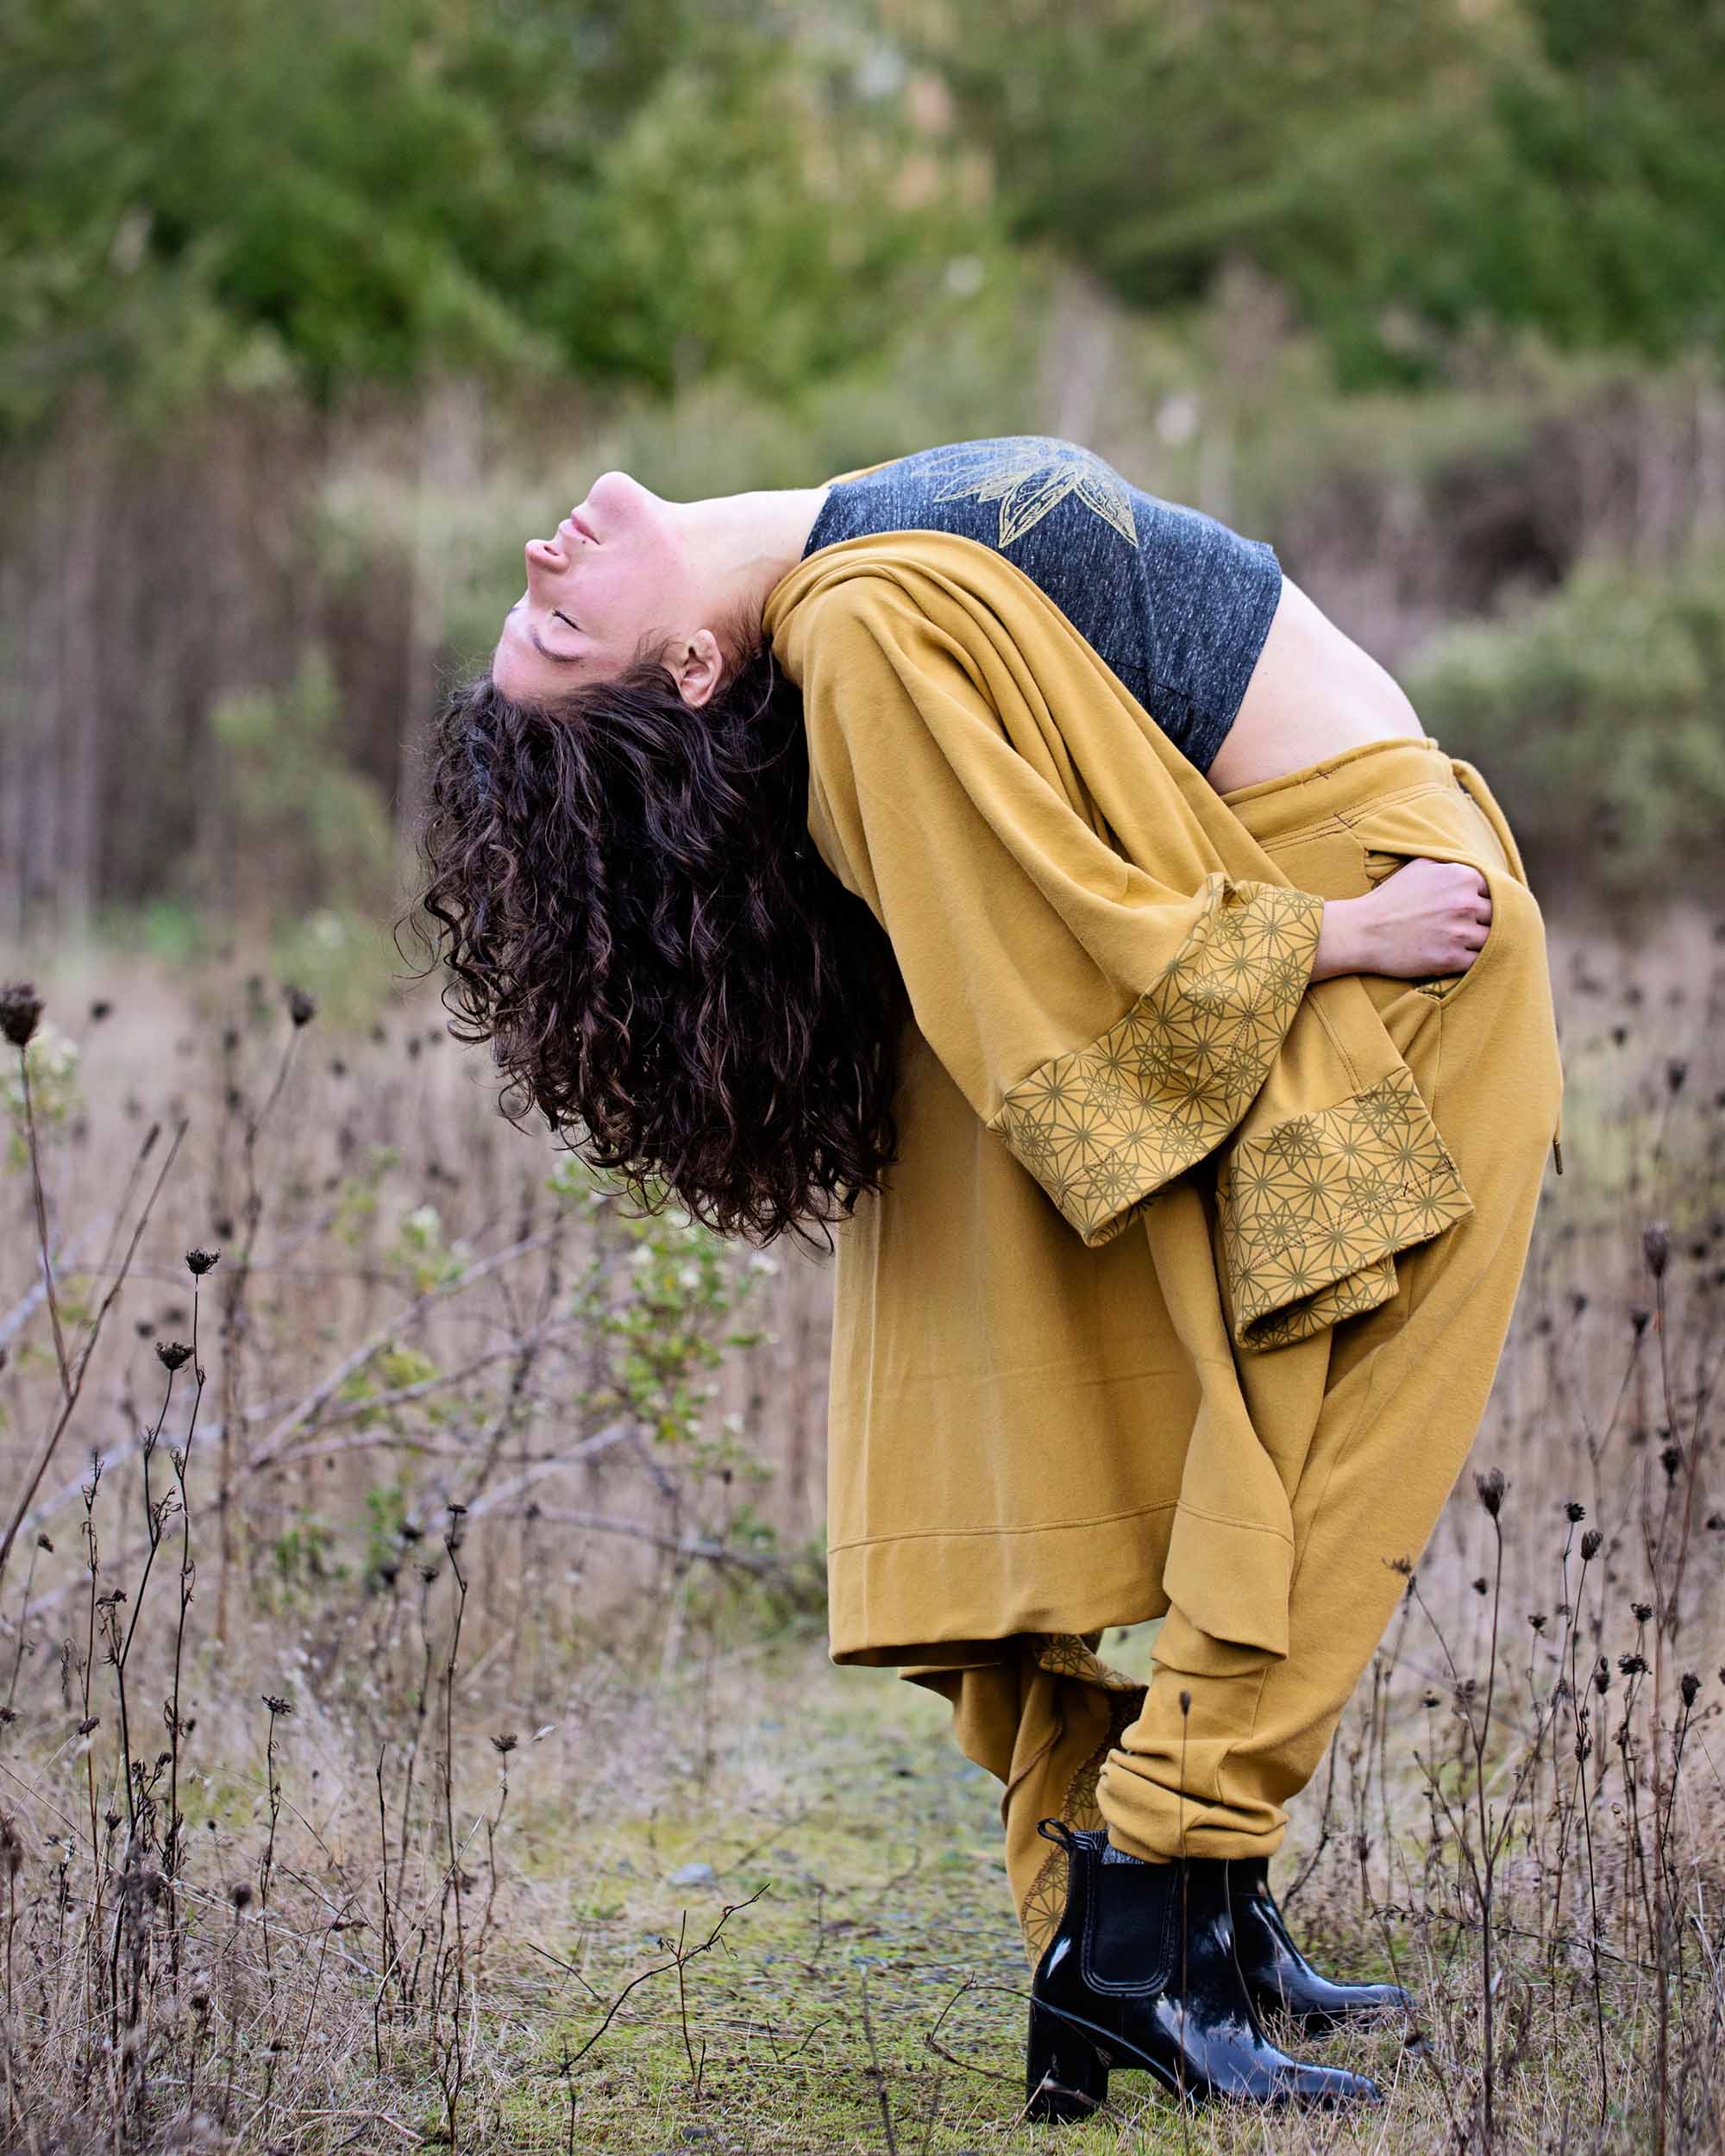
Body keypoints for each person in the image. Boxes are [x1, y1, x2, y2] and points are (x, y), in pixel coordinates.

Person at [406, 436, 1564, 2119]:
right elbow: (1035, 924)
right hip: (1382, 933)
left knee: (1298, 1459)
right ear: (687, 664)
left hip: (1384, 886)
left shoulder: (838, 560)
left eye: (535, 607)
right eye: (560, 631)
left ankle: (1204, 1926)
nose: (538, 557)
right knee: (1334, 1477)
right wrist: (1329, 935)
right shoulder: (862, 623)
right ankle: (1138, 1937)